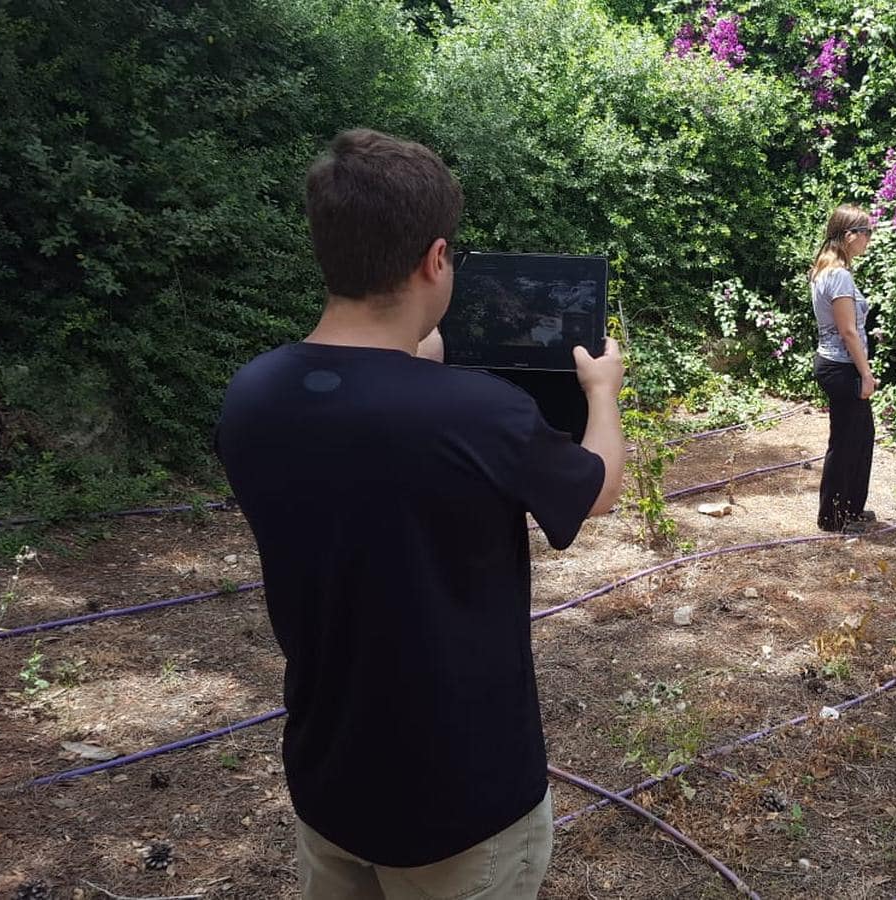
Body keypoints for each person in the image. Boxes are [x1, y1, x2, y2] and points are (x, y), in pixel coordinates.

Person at [216, 128, 625, 900]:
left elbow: (360, 440)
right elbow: (596, 486)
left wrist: (410, 364)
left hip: (329, 780)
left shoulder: (252, 396)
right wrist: (602, 391)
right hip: (461, 804)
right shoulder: (476, 414)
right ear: (437, 260)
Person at [809, 203, 878, 533]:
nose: (869, 240)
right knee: (849, 440)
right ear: (850, 235)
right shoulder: (837, 275)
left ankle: (850, 507)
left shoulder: (828, 271)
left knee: (860, 436)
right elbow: (848, 330)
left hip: (839, 364)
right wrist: (866, 373)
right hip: (842, 367)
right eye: (867, 233)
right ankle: (834, 517)